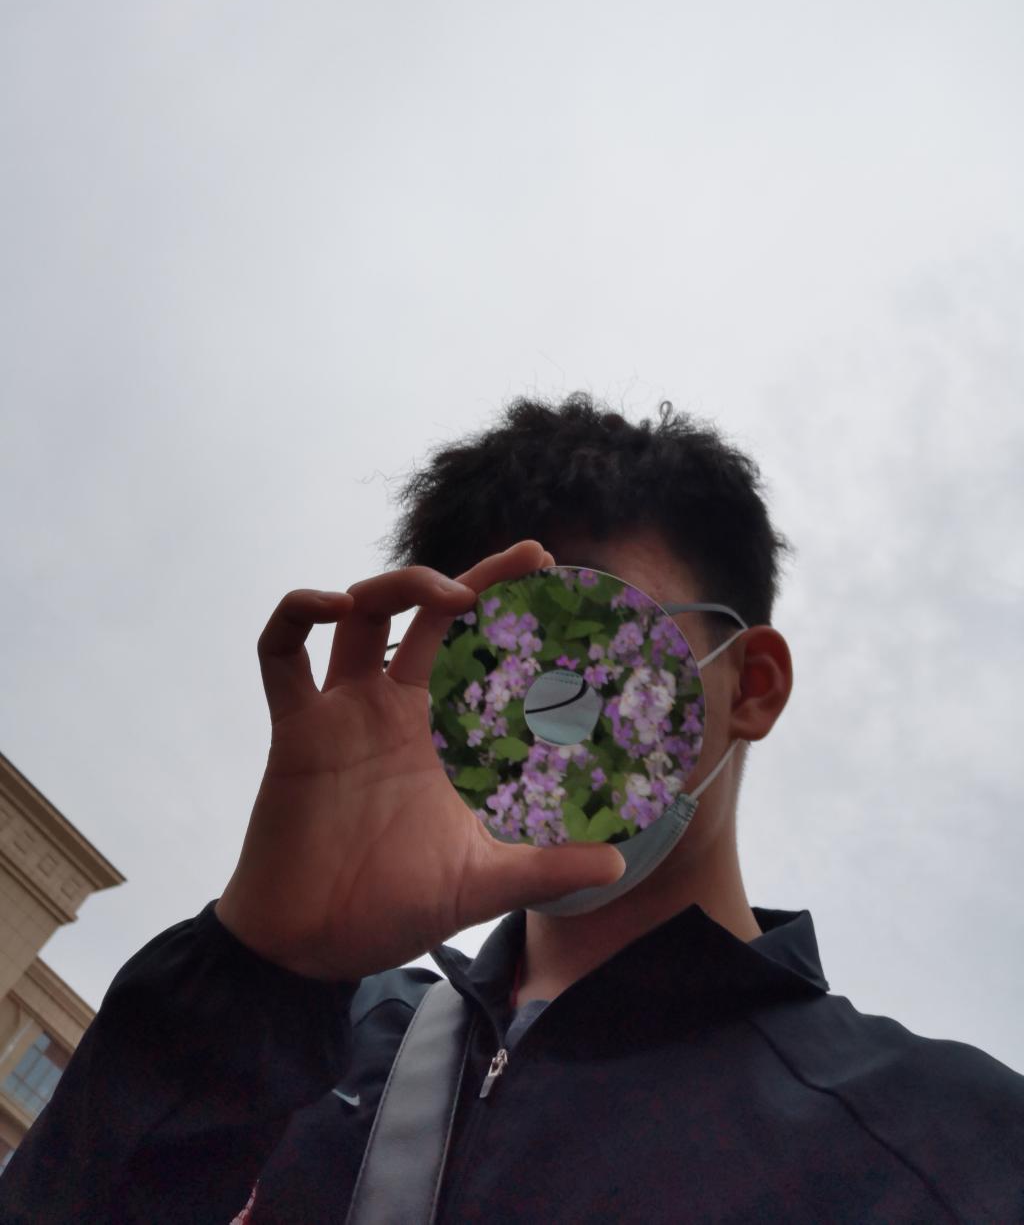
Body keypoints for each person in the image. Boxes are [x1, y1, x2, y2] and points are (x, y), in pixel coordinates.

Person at [2, 394, 1021, 1223]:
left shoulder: (952, 1148)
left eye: (583, 632)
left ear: (749, 683)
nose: (536, 702)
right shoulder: (309, 1044)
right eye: (477, 661)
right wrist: (256, 969)